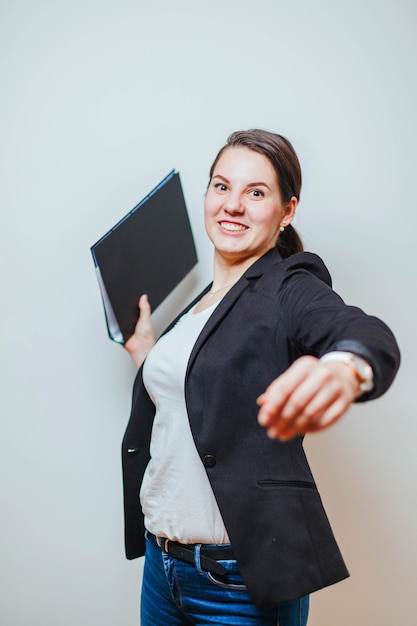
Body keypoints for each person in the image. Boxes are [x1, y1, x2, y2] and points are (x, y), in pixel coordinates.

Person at [121, 129, 400, 625]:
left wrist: (345, 367)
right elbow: (199, 395)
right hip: (162, 568)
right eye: (221, 186)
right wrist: (148, 353)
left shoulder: (289, 285)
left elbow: (362, 332)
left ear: (286, 210)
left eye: (256, 192)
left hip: (237, 584)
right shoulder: (197, 306)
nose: (233, 205)